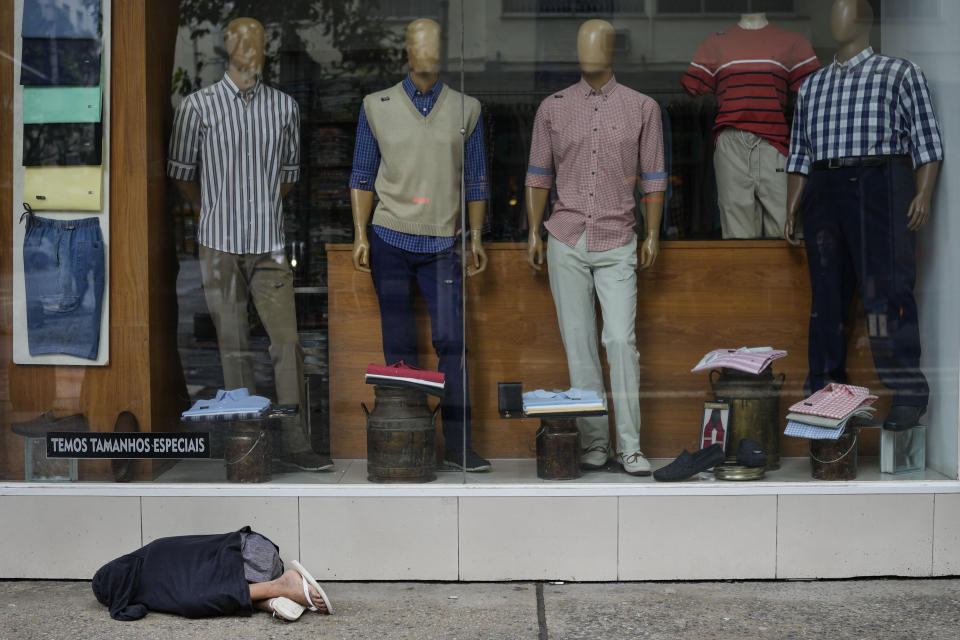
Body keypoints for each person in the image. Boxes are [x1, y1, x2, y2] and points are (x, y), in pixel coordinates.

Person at [168, 18, 330, 471]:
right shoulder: (197, 107)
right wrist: (212, 211)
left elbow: (288, 178)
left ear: (266, 48)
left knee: (286, 343)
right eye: (241, 40)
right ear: (226, 47)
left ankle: (297, 443)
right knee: (232, 344)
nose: (250, 48)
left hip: (269, 244)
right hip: (217, 242)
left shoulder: (284, 108)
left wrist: (258, 209)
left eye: (258, 40)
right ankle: (247, 442)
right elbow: (181, 173)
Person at [784, 0, 943, 431]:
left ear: (866, 17)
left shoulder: (899, 73)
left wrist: (923, 193)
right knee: (827, 300)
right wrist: (792, 204)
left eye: (846, 9)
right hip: (825, 188)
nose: (837, 18)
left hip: (880, 183)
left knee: (888, 293)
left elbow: (928, 143)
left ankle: (908, 395)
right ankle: (825, 394)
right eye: (833, 10)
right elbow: (800, 153)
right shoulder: (812, 86)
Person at [524, 19, 666, 476]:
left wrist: (652, 234)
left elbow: (654, 178)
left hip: (618, 237)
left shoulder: (643, 107)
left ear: (611, 49)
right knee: (579, 345)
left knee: (620, 341)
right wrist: (533, 231)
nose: (588, 49)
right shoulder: (553, 107)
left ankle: (629, 445)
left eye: (597, 41)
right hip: (565, 237)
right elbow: (538, 175)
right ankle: (593, 444)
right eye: (581, 41)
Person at [349, 18, 491, 472]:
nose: (424, 50)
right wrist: (358, 233)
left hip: (443, 243)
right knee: (400, 347)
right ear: (407, 50)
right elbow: (361, 175)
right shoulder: (376, 106)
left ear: (443, 50)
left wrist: (476, 237)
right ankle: (410, 444)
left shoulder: (467, 108)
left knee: (452, 342)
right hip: (389, 236)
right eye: (416, 42)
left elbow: (477, 179)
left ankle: (459, 444)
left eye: (432, 42)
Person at [682, 12, 818, 239]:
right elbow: (692, 92)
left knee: (786, 232)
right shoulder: (716, 42)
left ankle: (785, 277)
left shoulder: (792, 42)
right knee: (738, 239)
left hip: (776, 145)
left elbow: (813, 95)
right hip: (731, 144)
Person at [92, 527, 331, 622]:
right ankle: (263, 601)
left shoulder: (153, 564)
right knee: (194, 597)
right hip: (256, 560)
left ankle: (282, 586)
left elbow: (196, 595)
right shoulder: (149, 562)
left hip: (250, 558)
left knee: (193, 600)